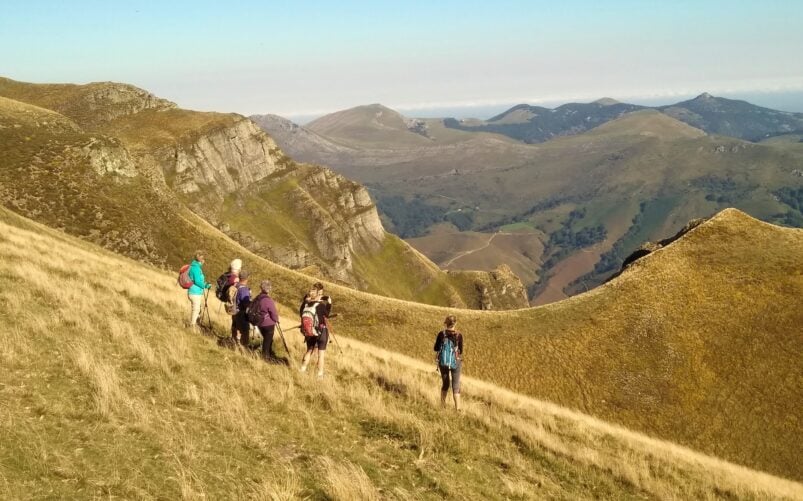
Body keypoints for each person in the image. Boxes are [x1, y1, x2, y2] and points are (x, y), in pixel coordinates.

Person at [299, 282, 332, 378]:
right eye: (320, 294)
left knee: (309, 350)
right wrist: (329, 303)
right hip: (321, 332)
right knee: (321, 354)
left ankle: (302, 369)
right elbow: (327, 315)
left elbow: (301, 314)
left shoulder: (306, 305)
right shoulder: (320, 305)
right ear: (318, 294)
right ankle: (320, 375)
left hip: (309, 332)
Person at [434, 315, 463, 411]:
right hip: (456, 362)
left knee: (445, 384)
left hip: (443, 362)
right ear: (455, 323)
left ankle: (442, 406)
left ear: (446, 323)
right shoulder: (459, 335)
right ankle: (458, 409)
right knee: (456, 386)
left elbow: (436, 348)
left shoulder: (441, 334)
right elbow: (460, 351)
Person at [251, 280, 283, 362]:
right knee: (267, 340)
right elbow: (273, 313)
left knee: (267, 339)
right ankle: (265, 358)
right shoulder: (268, 300)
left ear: (261, 288)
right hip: (268, 325)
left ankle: (266, 353)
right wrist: (276, 320)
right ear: (269, 289)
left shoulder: (258, 297)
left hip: (259, 323)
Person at [187, 251, 212, 329]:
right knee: (196, 309)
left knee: (197, 309)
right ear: (201, 260)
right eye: (203, 260)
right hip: (195, 292)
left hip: (193, 291)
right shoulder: (196, 268)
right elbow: (197, 281)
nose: (204, 262)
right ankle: (192, 326)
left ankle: (195, 324)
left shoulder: (193, 266)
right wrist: (206, 285)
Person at [232, 270, 252, 347]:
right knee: (245, 331)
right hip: (241, 313)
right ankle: (243, 349)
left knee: (235, 328)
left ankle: (234, 344)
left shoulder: (236, 285)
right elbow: (245, 304)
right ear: (247, 278)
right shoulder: (244, 289)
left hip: (234, 311)